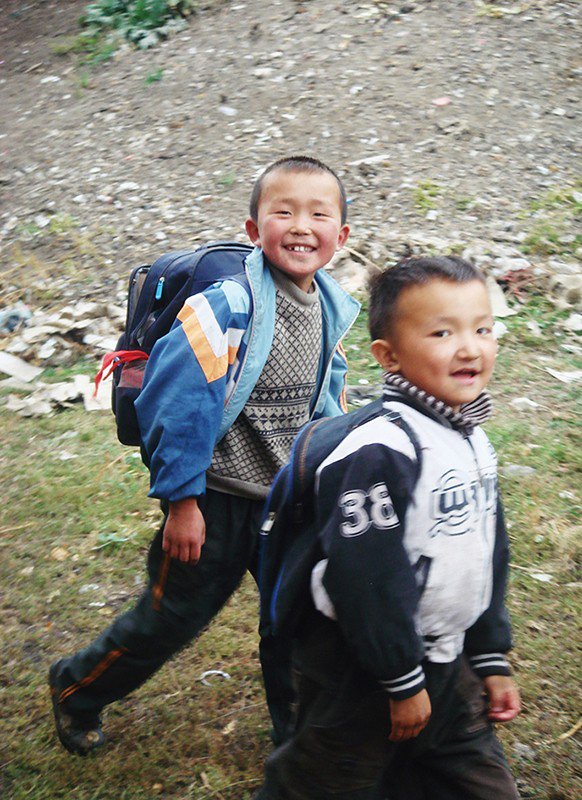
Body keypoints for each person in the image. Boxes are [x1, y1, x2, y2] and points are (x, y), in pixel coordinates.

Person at [48, 156, 359, 756]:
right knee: (172, 616)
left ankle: (296, 741)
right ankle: (76, 687)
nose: (301, 226)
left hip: (284, 500)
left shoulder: (328, 304)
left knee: (297, 619)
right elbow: (180, 403)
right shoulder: (228, 305)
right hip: (214, 500)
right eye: (284, 212)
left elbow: (328, 395)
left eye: (319, 215)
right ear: (253, 229)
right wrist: (181, 500)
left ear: (341, 235)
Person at [255, 256, 521, 800]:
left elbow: (486, 551)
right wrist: (400, 679)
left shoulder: (470, 436)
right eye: (443, 333)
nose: (470, 348)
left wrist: (489, 654)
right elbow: (366, 578)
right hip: (362, 672)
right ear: (388, 356)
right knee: (325, 781)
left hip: (448, 659)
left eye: (482, 329)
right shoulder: (379, 450)